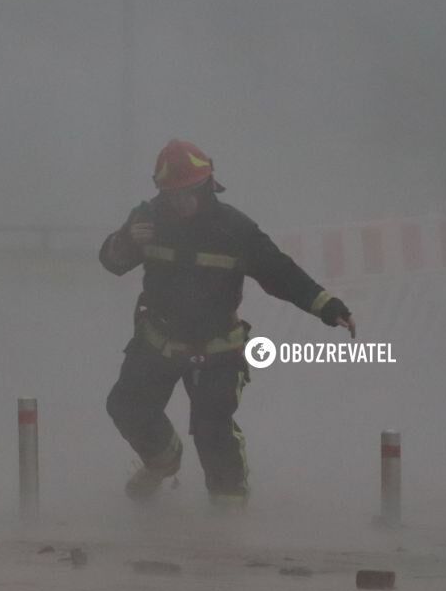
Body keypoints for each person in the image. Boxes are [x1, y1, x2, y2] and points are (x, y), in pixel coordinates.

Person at [99, 139, 355, 507]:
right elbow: (113, 262)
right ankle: (163, 460)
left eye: (188, 192)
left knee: (212, 430)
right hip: (157, 341)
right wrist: (124, 240)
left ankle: (229, 516)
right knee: (125, 406)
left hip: (217, 349)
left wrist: (328, 307)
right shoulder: (146, 219)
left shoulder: (234, 229)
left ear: (207, 187)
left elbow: (280, 272)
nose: (180, 202)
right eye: (171, 194)